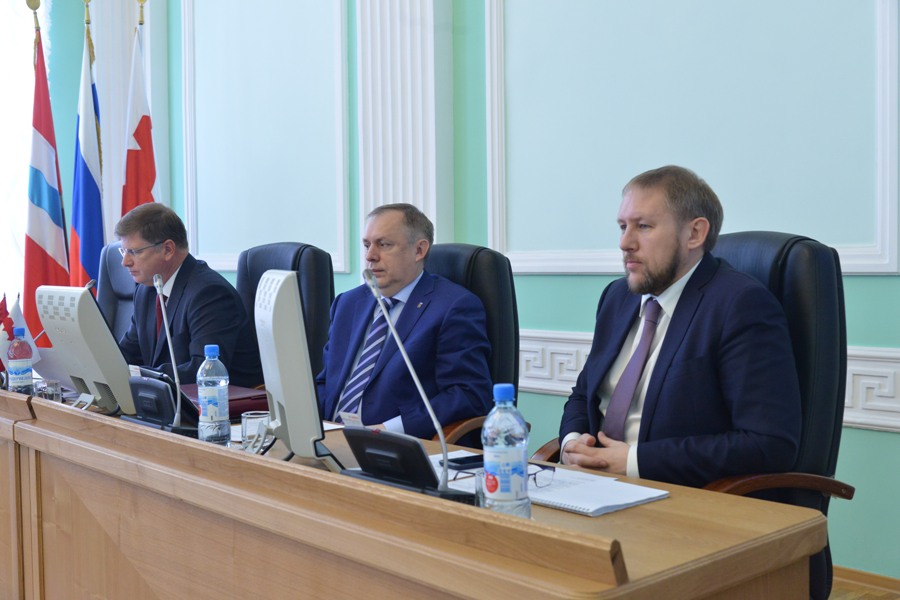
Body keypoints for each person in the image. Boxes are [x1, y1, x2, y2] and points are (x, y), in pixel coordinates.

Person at [558, 165, 801, 488]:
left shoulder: (740, 305)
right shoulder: (617, 297)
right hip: (591, 486)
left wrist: (633, 462)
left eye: (643, 226)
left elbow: (768, 444)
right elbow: (584, 395)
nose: (625, 243)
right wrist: (573, 443)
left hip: (678, 494)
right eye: (622, 226)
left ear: (694, 234)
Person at [316, 203, 492, 439]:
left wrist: (386, 431)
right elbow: (326, 382)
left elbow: (468, 394)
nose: (370, 256)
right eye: (367, 245)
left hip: (398, 445)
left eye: (384, 244)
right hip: (328, 438)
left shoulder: (453, 306)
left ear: (419, 250)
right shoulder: (348, 304)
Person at [116, 203, 263, 388]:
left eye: (134, 252)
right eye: (123, 251)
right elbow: (127, 353)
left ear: (168, 249)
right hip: (170, 399)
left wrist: (139, 375)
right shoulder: (146, 290)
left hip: (223, 402)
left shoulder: (209, 293)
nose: (125, 262)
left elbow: (203, 371)